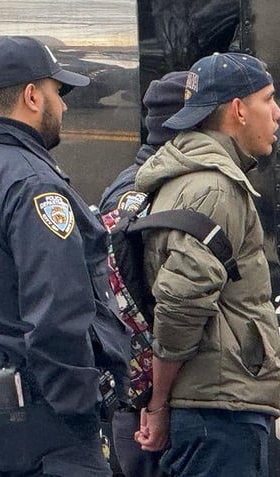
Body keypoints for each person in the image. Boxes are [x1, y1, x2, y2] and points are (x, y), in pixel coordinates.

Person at [0, 36, 128, 477]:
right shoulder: (34, 185)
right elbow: (57, 308)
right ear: (32, 96)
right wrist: (81, 407)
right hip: (38, 417)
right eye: (58, 92)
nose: (64, 107)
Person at [132, 52, 280, 476]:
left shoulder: (192, 179)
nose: (278, 112)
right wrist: (158, 402)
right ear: (238, 109)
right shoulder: (214, 188)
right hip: (218, 411)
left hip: (215, 405)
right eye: (268, 99)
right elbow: (181, 305)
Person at [99, 70, 189, 477]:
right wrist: (156, 397)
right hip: (146, 400)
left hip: (138, 397)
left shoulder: (130, 185)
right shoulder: (146, 194)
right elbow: (136, 305)